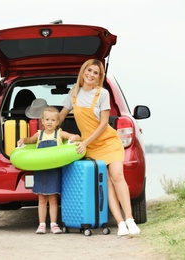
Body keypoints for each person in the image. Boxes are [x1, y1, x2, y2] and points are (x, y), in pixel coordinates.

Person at [59, 59, 141, 236]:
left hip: (108, 141)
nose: (91, 75)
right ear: (83, 71)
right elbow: (60, 118)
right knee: (108, 183)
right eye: (89, 70)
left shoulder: (102, 94)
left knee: (117, 176)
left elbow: (104, 124)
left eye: (96, 73)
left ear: (99, 77)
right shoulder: (73, 93)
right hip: (91, 146)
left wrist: (85, 143)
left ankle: (130, 220)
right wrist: (46, 124)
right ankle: (120, 224)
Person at [18, 101, 81, 234]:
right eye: (47, 119)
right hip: (41, 170)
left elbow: (76, 137)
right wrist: (23, 140)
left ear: (58, 122)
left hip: (54, 171)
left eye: (53, 120)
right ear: (42, 120)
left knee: (52, 198)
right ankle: (41, 224)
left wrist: (74, 137)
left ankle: (53, 224)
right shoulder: (39, 135)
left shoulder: (59, 134)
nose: (50, 122)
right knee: (41, 198)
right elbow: (29, 140)